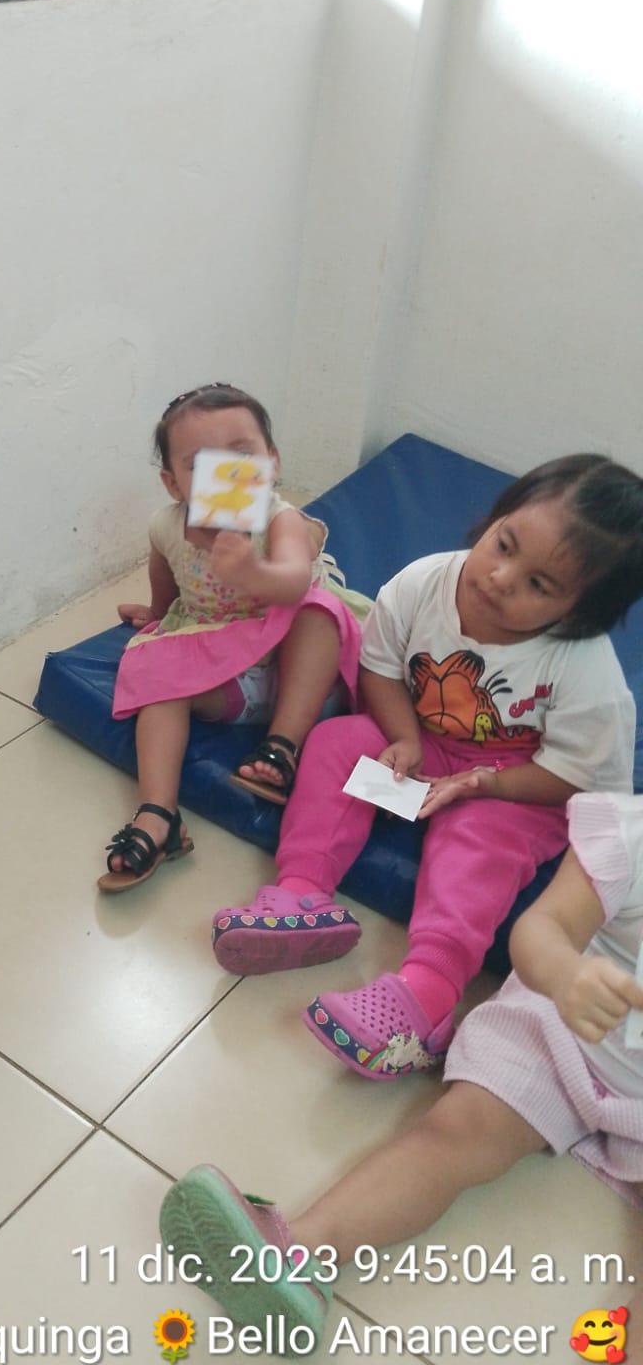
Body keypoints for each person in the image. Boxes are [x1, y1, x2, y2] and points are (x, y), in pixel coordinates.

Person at [211, 455, 643, 1081]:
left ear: (576, 615)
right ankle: (302, 894)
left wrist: (487, 784)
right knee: (336, 742)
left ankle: (428, 996)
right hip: (425, 743)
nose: (499, 577)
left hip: (520, 784)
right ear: (494, 519)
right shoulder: (425, 583)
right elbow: (381, 670)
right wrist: (404, 739)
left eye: (539, 585)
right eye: (504, 544)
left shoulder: (586, 672)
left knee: (478, 836)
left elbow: (575, 778)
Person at [159, 791, 643, 1351]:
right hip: (558, 1031)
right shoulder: (627, 835)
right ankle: (300, 1254)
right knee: (456, 1134)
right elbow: (541, 929)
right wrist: (564, 974)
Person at [99, 383, 366, 892]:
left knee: (319, 612)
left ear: (272, 461)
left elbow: (293, 580)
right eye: (203, 464)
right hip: (230, 681)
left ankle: (282, 746)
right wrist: (157, 614)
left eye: (241, 456)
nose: (226, 474)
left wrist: (251, 572)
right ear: (173, 484)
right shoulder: (167, 525)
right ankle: (159, 815)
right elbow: (165, 570)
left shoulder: (280, 520)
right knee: (158, 677)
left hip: (300, 676)